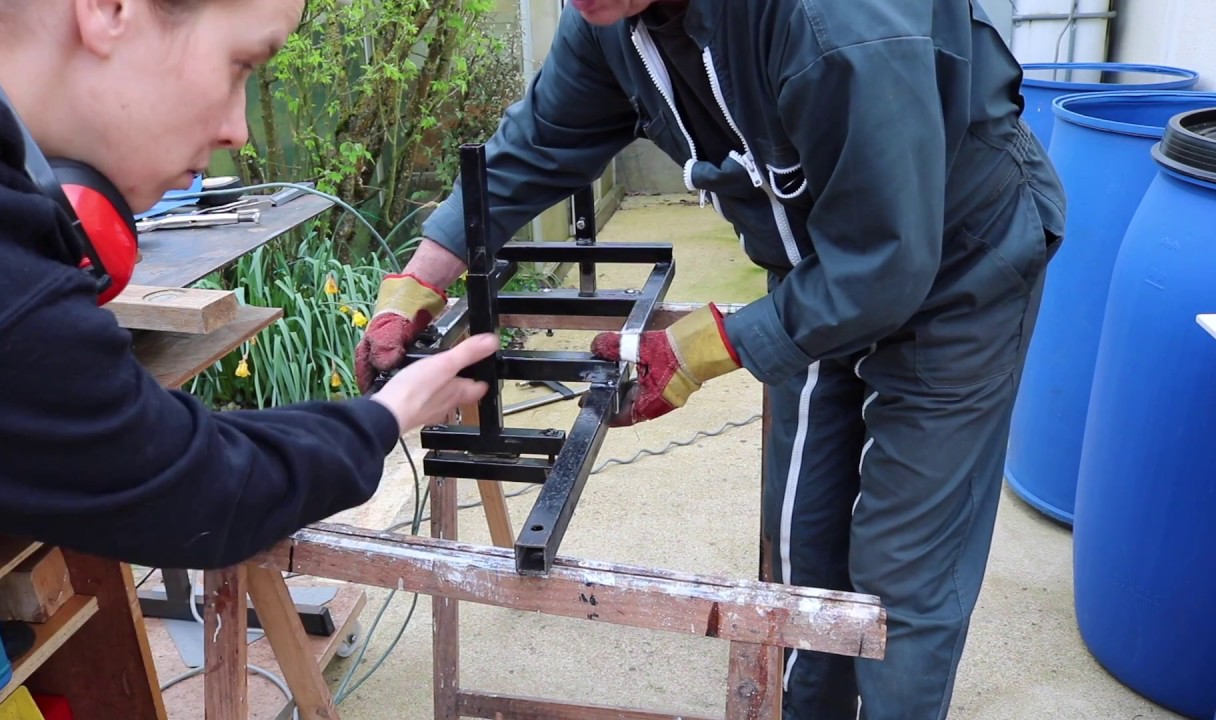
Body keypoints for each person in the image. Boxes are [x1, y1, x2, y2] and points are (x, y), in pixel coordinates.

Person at [354, 0, 1067, 717]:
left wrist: (700, 349)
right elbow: (540, 141)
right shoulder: (611, 17)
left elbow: (887, 259)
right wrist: (418, 281)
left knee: (900, 576)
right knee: (801, 543)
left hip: (958, 262)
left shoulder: (835, 21)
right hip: (814, 264)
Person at [0, 0, 499, 596]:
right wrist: (388, 414)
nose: (239, 129)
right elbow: (198, 491)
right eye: (240, 64)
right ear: (109, 8)